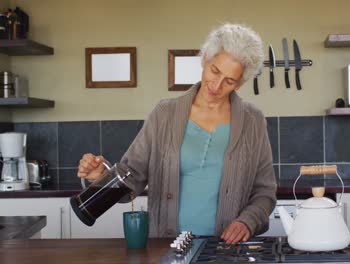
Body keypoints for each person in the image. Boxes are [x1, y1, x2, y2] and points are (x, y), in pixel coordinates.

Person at [77, 23, 277, 244]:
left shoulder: (253, 121)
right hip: (166, 245)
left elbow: (265, 192)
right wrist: (101, 178)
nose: (217, 85)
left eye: (229, 80)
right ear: (204, 61)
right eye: (215, 71)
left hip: (226, 250)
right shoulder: (164, 113)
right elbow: (131, 178)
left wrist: (247, 222)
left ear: (239, 84)